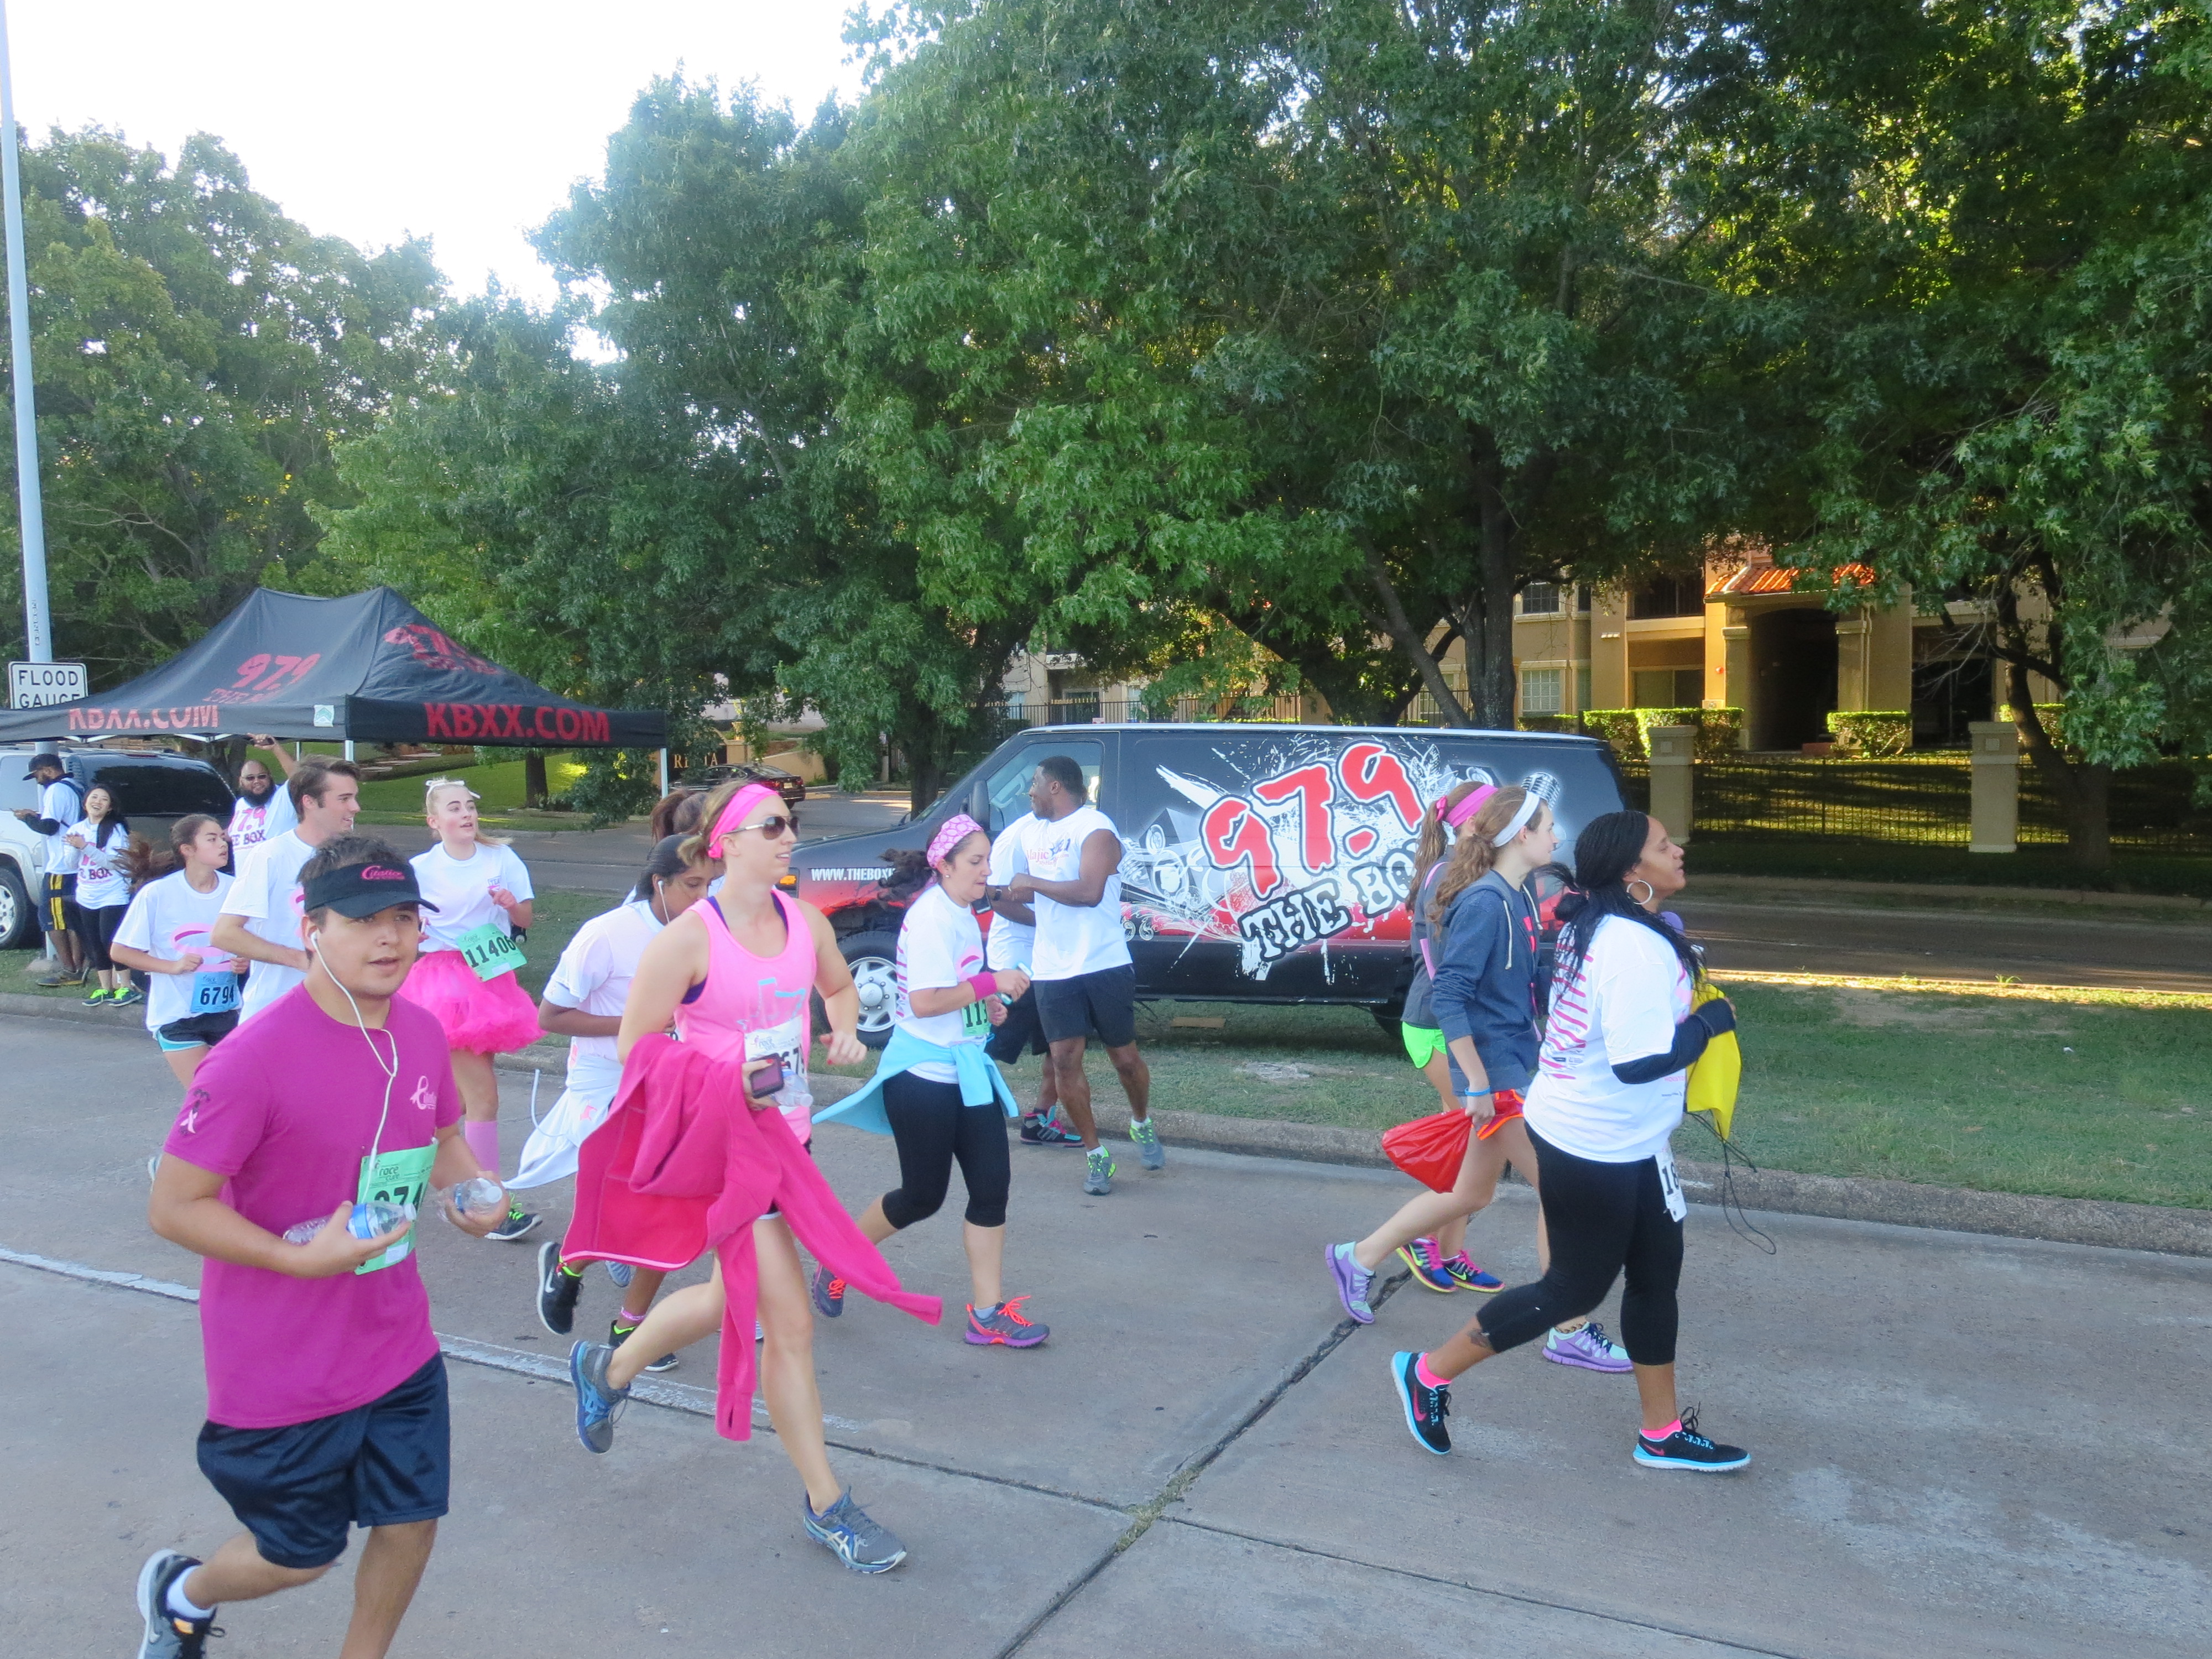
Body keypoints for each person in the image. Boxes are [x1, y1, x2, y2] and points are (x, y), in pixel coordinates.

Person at [138, 837, 508, 1659]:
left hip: (398, 1341)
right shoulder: (249, 1061)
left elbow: (444, 1138)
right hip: (283, 1360)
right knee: (298, 1555)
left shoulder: (420, 1031)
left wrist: (472, 1191)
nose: (389, 937)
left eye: (404, 917)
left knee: (411, 1521)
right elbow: (174, 1207)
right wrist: (297, 1259)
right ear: (312, 930)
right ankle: (182, 1593)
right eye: (364, 920)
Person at [561, 778, 933, 1574]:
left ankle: (608, 1367)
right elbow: (636, 1046)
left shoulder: (804, 922)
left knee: (728, 1299)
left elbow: (838, 987)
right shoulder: (688, 940)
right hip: (728, 1152)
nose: (789, 836)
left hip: (789, 1142)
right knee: (789, 1326)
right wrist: (724, 1072)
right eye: (772, 826)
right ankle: (828, 1504)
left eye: (790, 824)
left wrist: (844, 1031)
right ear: (725, 843)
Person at [1387, 810, 1750, 1473]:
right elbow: (1638, 1063)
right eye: (1663, 845)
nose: (1678, 850)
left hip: (1632, 1139)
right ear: (1632, 870)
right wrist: (1709, 1023)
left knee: (1655, 1276)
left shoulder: (1613, 923)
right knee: (1571, 1292)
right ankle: (1427, 1373)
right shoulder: (1630, 945)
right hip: (1593, 1142)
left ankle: (1661, 1432)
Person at [1327, 784, 1631, 1374]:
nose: (1557, 837)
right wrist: (1476, 1083)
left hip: (1513, 1063)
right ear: (1520, 835)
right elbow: (1449, 994)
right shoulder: (1486, 902)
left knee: (1472, 1194)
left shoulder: (1515, 894)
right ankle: (1568, 1328)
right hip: (1497, 1075)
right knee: (1561, 1191)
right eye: (1548, 827)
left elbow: (1523, 983)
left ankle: (1358, 1256)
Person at [808, 815, 1045, 1346]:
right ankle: (838, 1259)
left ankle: (988, 1315)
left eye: (988, 861)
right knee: (922, 1196)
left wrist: (985, 1003)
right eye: (976, 861)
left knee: (992, 1190)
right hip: (922, 1080)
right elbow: (923, 1002)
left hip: (968, 1073)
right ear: (944, 865)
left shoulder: (961, 910)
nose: (986, 871)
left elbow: (954, 986)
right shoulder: (933, 915)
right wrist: (991, 981)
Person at [528, 834, 716, 1368]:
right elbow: (551, 1016)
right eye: (692, 885)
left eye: (711, 884)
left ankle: (628, 1327)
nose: (704, 897)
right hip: (606, 1081)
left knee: (672, 1208)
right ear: (659, 884)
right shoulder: (607, 934)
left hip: (674, 1083)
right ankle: (568, 1266)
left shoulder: (712, 934)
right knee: (619, 1204)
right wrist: (643, 1025)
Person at [1004, 754, 1160, 1196]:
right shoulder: (1029, 833)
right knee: (1064, 1061)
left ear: (1055, 786)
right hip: (1053, 969)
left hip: (1104, 963)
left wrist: (1033, 884)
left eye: (1035, 782)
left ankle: (1141, 1121)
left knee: (1125, 1061)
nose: (1029, 791)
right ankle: (1096, 1154)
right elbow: (1019, 892)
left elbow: (1091, 892)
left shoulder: (1096, 828)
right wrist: (1003, 895)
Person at [406, 778, 542, 1243]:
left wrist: (511, 904)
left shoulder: (501, 858)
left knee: (456, 1104)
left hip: (490, 975)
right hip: (443, 981)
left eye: (469, 806)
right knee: (482, 1098)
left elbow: (525, 918)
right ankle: (491, 1208)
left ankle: (391, 1167)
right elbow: (405, 921)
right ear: (434, 821)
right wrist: (414, 929)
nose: (466, 814)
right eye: (454, 808)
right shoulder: (421, 868)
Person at [211, 758, 362, 1022]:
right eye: (344, 799)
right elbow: (225, 934)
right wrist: (302, 960)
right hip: (275, 1010)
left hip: (343, 1009)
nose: (355, 807)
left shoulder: (359, 858)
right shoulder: (271, 855)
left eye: (354, 797)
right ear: (310, 802)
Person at [111, 815, 241, 1086]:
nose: (223, 844)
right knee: (206, 1095)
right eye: (212, 839)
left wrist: (246, 959)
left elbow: (251, 939)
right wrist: (173, 966)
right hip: (177, 1016)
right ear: (188, 849)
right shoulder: (157, 894)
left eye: (222, 837)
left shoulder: (237, 890)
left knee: (237, 1093)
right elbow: (120, 951)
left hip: (228, 1012)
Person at [984, 807, 1079, 1146]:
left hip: (1055, 963)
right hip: (1016, 963)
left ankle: (1039, 1120)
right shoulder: (1017, 836)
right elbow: (997, 897)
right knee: (987, 1046)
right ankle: (967, 1113)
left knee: (1062, 1045)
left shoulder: (1071, 830)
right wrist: (1049, 925)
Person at [16, 752, 85, 986]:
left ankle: (70, 969)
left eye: (37, 774)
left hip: (61, 867)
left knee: (52, 918)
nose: (37, 780)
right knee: (74, 918)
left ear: (47, 770)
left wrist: (27, 819)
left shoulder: (56, 790)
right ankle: (80, 967)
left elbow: (49, 827)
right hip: (77, 863)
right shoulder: (75, 786)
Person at [67, 783, 139, 1006]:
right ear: (85, 803)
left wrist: (85, 847)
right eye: (94, 797)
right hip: (87, 895)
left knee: (111, 939)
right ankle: (105, 988)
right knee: (95, 942)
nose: (97, 802)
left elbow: (113, 863)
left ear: (110, 808)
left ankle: (126, 987)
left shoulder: (116, 831)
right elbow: (70, 864)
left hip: (113, 894)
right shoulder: (76, 829)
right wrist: (75, 847)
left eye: (104, 799)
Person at [225, 739, 300, 861]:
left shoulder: (283, 797)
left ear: (270, 777)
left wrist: (275, 748)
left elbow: (297, 777)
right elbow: (235, 833)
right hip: (246, 873)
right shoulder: (241, 804)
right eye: (250, 778)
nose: (257, 782)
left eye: (262, 776)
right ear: (241, 781)